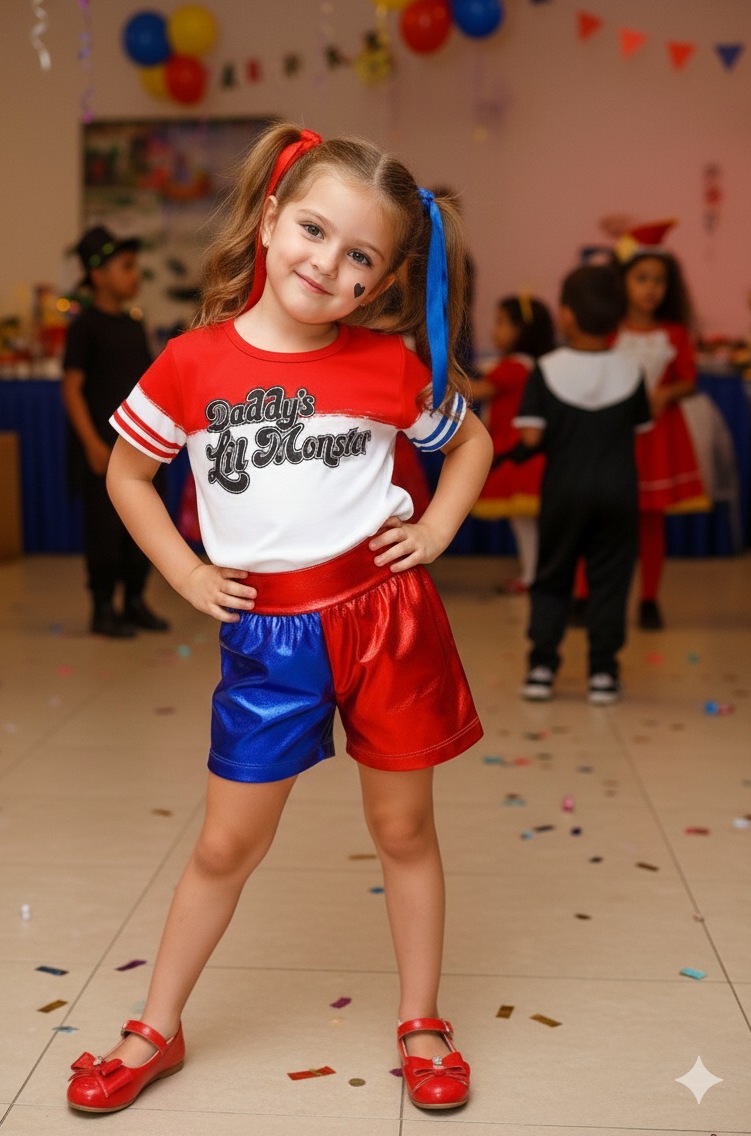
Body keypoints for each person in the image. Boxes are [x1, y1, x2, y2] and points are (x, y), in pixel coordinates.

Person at [64, 124, 492, 1115]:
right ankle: (155, 1026)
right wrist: (183, 568)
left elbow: (469, 443)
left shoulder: (389, 364)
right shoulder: (190, 363)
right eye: (313, 229)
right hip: (270, 633)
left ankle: (422, 1020)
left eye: (361, 256)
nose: (329, 263)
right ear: (268, 220)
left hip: (387, 617)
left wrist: (434, 527)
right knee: (226, 844)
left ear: (383, 280)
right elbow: (127, 473)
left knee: (403, 828)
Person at [515, 265, 651, 706]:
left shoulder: (545, 369)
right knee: (610, 581)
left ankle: (541, 668)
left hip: (564, 492)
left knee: (552, 576)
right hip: (619, 492)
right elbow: (641, 428)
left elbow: (530, 436)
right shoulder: (632, 370)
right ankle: (603, 674)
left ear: (567, 315)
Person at [62, 225, 170, 638]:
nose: (135, 275)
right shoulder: (84, 327)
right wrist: (91, 443)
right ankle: (104, 606)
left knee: (142, 526)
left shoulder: (132, 324)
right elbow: (71, 388)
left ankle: (136, 600)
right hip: (103, 450)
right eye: (126, 267)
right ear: (98, 275)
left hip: (138, 449)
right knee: (105, 530)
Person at [612, 221, 708, 630]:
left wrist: (666, 393)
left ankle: (649, 598)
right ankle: (585, 596)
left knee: (651, 521)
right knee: (602, 518)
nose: (651, 288)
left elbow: (689, 380)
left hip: (657, 439)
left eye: (659, 281)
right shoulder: (608, 331)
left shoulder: (675, 333)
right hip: (612, 440)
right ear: (623, 282)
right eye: (642, 278)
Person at [471, 295, 555, 592]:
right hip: (527, 453)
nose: (495, 330)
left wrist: (439, 377)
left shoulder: (514, 366)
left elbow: (475, 390)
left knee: (526, 524)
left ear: (523, 330)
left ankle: (533, 576)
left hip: (518, 454)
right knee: (530, 523)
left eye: (502, 322)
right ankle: (535, 574)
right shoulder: (532, 365)